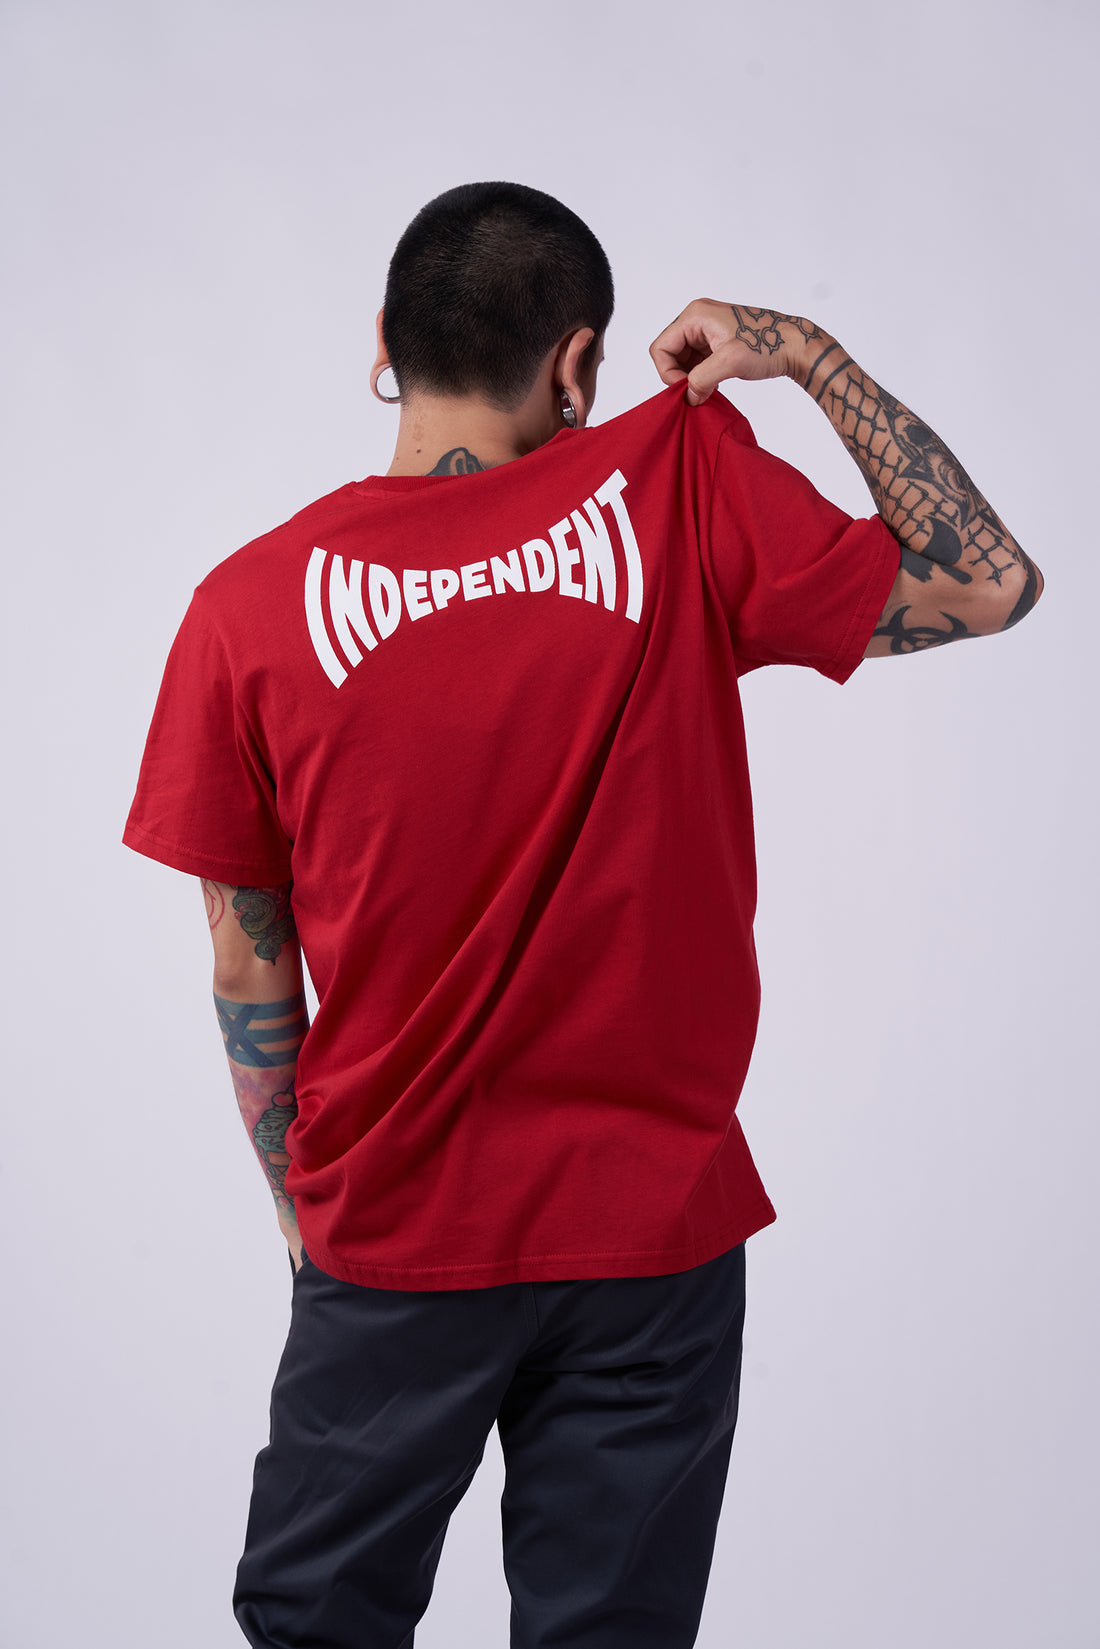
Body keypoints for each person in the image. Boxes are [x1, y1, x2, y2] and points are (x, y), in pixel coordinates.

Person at [123, 181, 1044, 1649]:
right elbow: (987, 583)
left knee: (311, 1625)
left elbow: (247, 959)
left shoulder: (245, 609)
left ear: (385, 344)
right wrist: (800, 351)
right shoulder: (678, 490)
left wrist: (305, 1212)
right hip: (653, 1242)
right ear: (578, 361)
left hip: (395, 1233)